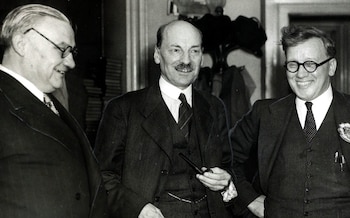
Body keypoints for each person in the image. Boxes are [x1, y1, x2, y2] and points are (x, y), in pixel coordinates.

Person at [94, 20, 237, 218]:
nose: (186, 60)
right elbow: (101, 176)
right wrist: (138, 208)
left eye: (194, 51)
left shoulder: (215, 107)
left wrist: (226, 180)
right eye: (176, 50)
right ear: (157, 54)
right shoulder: (123, 109)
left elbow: (230, 167)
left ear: (202, 57)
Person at [230, 25, 350, 218]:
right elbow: (223, 155)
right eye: (293, 64)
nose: (300, 74)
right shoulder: (264, 113)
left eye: (310, 63)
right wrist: (249, 198)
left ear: (332, 66)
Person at [0, 4, 108, 218]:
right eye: (61, 49)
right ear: (21, 44)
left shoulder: (51, 102)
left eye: (72, 51)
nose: (71, 62)